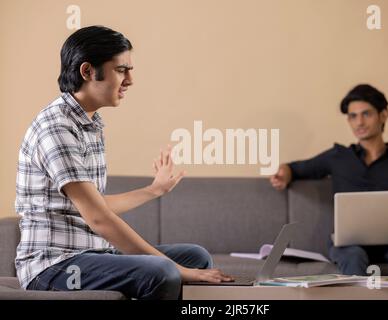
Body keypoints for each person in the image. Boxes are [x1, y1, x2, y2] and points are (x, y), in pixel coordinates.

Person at [15, 25, 232, 300]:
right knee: (164, 272)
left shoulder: (89, 124)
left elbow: (96, 205)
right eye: (121, 70)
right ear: (87, 71)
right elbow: (99, 218)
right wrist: (177, 269)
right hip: (53, 266)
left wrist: (156, 189)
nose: (130, 80)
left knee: (195, 257)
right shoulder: (57, 127)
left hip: (91, 254)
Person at [270, 84, 388, 277]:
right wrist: (284, 174)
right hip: (350, 243)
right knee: (352, 255)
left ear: (384, 114)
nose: (359, 122)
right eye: (353, 116)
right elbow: (293, 168)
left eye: (366, 114)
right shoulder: (337, 157)